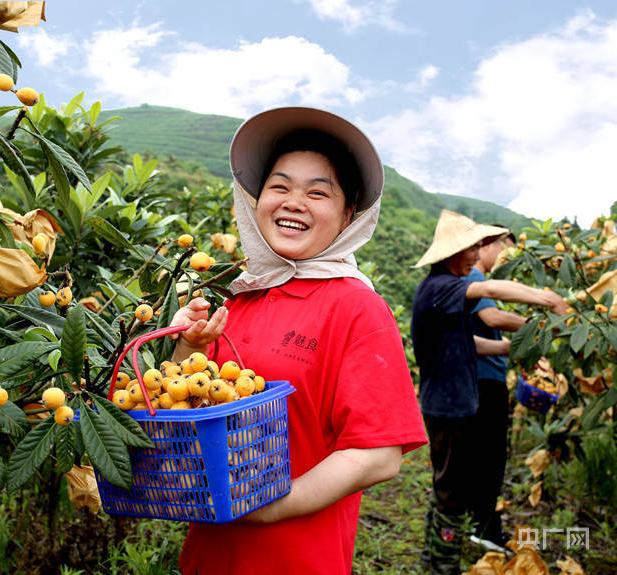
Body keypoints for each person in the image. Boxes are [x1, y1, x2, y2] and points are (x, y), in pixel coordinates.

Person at [168, 107, 428, 574]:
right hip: (208, 555)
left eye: (317, 192)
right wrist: (190, 347)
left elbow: (378, 456)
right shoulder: (240, 296)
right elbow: (193, 409)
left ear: (348, 216)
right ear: (257, 200)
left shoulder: (357, 307)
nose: (293, 202)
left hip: (296, 558)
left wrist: (273, 506)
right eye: (280, 187)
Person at [411, 210, 567, 574]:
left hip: (453, 403)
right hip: (448, 406)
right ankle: (443, 566)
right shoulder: (441, 286)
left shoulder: (445, 292)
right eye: (472, 248)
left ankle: (432, 557)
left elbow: (471, 343)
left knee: (448, 483)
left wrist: (513, 347)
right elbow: (492, 290)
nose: (476, 256)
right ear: (453, 252)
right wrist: (550, 301)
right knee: (452, 492)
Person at [464, 229, 524, 551]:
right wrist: (536, 327)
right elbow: (492, 317)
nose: (507, 259)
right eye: (505, 251)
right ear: (489, 246)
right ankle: (484, 527)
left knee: (484, 455)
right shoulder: (476, 277)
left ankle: (479, 522)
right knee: (490, 457)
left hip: (484, 378)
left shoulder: (478, 279)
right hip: (484, 380)